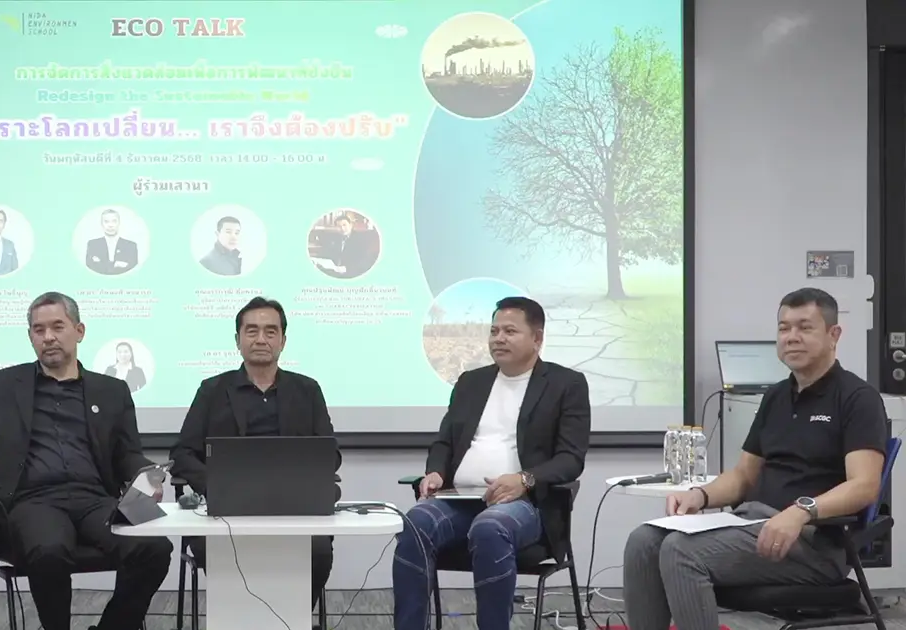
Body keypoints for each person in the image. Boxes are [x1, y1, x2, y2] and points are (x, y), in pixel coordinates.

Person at [622, 287, 887, 630]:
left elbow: (864, 486)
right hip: (752, 523)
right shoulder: (776, 397)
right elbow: (743, 476)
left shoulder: (857, 398)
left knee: (680, 551)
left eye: (805, 327)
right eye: (783, 328)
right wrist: (700, 496)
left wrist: (800, 511)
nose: (791, 337)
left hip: (814, 541)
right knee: (642, 541)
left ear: (833, 335)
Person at [0, 292, 172, 630]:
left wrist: (146, 475)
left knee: (154, 549)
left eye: (57, 327)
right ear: (30, 336)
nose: (48, 337)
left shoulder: (112, 390)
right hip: (33, 501)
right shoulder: (6, 384)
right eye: (39, 330)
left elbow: (127, 453)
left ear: (79, 331)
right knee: (49, 551)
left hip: (94, 499)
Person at [393, 296, 591, 630]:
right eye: (494, 330)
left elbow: (571, 459)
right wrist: (436, 472)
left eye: (510, 331)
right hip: (459, 500)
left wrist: (524, 479)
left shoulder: (566, 385)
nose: (498, 338)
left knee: (490, 527)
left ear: (537, 338)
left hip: (525, 504)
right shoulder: (471, 382)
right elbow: (444, 442)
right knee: (415, 521)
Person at [170, 296, 340, 612]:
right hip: (226, 511)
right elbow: (182, 453)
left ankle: (291, 619)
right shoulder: (212, 390)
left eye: (270, 331)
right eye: (252, 331)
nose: (261, 339)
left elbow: (330, 454)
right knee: (215, 551)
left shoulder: (307, 390)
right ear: (238, 340)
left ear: (283, 341)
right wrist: (214, 484)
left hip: (293, 508)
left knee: (318, 552)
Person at [316, 214, 377, 279]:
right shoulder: (335, 238)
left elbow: (364, 261)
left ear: (350, 225)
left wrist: (346, 268)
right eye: (339, 226)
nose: (342, 228)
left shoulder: (360, 239)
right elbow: (327, 253)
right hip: (334, 271)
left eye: (344, 225)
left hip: (352, 273)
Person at [85, 208, 139, 275]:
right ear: (101, 224)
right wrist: (115, 264)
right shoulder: (93, 245)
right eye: (106, 221)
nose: (110, 225)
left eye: (114, 221)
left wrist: (102, 263)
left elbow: (133, 269)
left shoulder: (131, 246)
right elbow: (90, 266)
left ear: (119, 223)